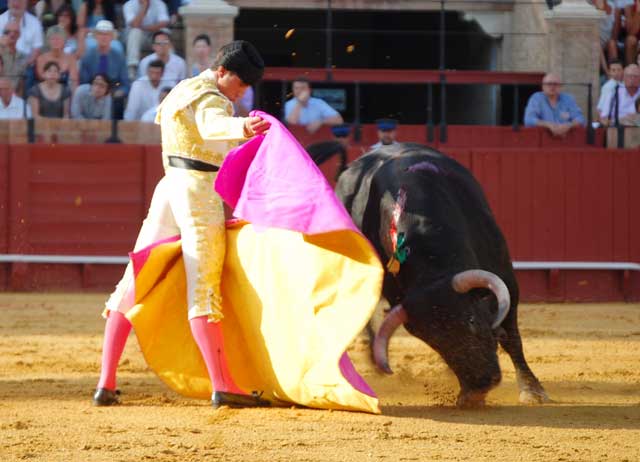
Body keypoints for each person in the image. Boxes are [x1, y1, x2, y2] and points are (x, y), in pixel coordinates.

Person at [93, 39, 272, 409]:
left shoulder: (181, 89)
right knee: (203, 287)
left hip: (168, 187)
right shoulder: (213, 99)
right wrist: (243, 127)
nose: (242, 92)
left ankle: (105, 383)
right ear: (221, 71)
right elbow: (212, 125)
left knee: (135, 280)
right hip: (198, 193)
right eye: (239, 84)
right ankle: (222, 385)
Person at [78, 20, 129, 96]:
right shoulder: (87, 56)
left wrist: (117, 93)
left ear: (112, 37)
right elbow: (83, 82)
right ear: (95, 36)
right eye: (100, 34)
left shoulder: (119, 57)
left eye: (107, 34)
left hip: (113, 95)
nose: (103, 37)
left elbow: (125, 84)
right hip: (91, 94)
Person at [122, 0, 169, 79]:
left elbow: (164, 22)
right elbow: (134, 24)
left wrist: (145, 28)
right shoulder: (129, 4)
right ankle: (132, 67)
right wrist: (144, 7)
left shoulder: (159, 3)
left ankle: (168, 65)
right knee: (135, 32)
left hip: (153, 36)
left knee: (163, 35)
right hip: (137, 39)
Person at [0, 0, 44, 65]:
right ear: (8, 2)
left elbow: (37, 49)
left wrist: (24, 65)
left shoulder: (35, 23)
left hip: (26, 65)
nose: (16, 3)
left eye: (20, 1)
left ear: (26, 3)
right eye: (13, 1)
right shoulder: (0, 20)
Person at [35, 24, 78, 90]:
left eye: (59, 39)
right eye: (53, 39)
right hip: (45, 91)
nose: (56, 41)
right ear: (48, 41)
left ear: (64, 41)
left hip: (65, 93)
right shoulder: (41, 59)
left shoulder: (71, 59)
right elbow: (41, 77)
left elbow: (74, 81)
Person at [0, 19, 28, 92]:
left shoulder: (23, 56)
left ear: (19, 35)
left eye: (15, 32)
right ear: (3, 34)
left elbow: (21, 82)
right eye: (8, 32)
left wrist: (18, 100)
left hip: (14, 95)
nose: (12, 34)